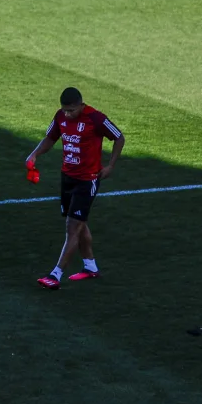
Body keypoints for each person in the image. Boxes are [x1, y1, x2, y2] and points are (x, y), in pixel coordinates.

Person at [27, 87, 124, 290]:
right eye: (65, 110)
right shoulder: (60, 116)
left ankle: (56, 274)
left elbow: (118, 137)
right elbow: (50, 138)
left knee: (72, 227)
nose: (68, 114)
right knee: (79, 224)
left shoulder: (96, 118)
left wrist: (111, 165)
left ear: (81, 105)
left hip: (87, 180)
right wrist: (34, 154)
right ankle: (90, 266)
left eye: (71, 110)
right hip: (68, 177)